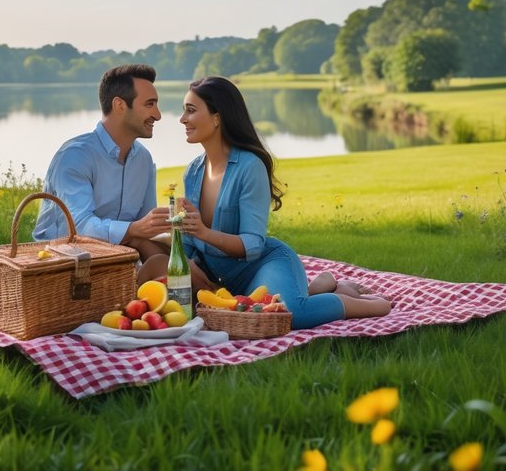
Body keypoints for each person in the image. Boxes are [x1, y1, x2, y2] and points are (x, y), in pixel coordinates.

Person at [142, 75, 392, 329]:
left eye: (191, 110)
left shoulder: (249, 166)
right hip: (220, 278)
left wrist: (204, 233)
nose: (182, 119)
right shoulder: (193, 172)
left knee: (289, 313)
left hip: (262, 264)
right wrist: (185, 248)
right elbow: (189, 243)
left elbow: (252, 243)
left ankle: (369, 304)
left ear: (217, 117)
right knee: (241, 312)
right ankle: (317, 288)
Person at [32, 64, 170, 261]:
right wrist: (134, 229)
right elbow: (80, 228)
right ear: (120, 105)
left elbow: (146, 229)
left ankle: (210, 290)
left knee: (168, 261)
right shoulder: (75, 156)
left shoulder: (143, 159)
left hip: (118, 261)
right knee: (160, 261)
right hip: (60, 264)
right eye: (149, 104)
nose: (158, 115)